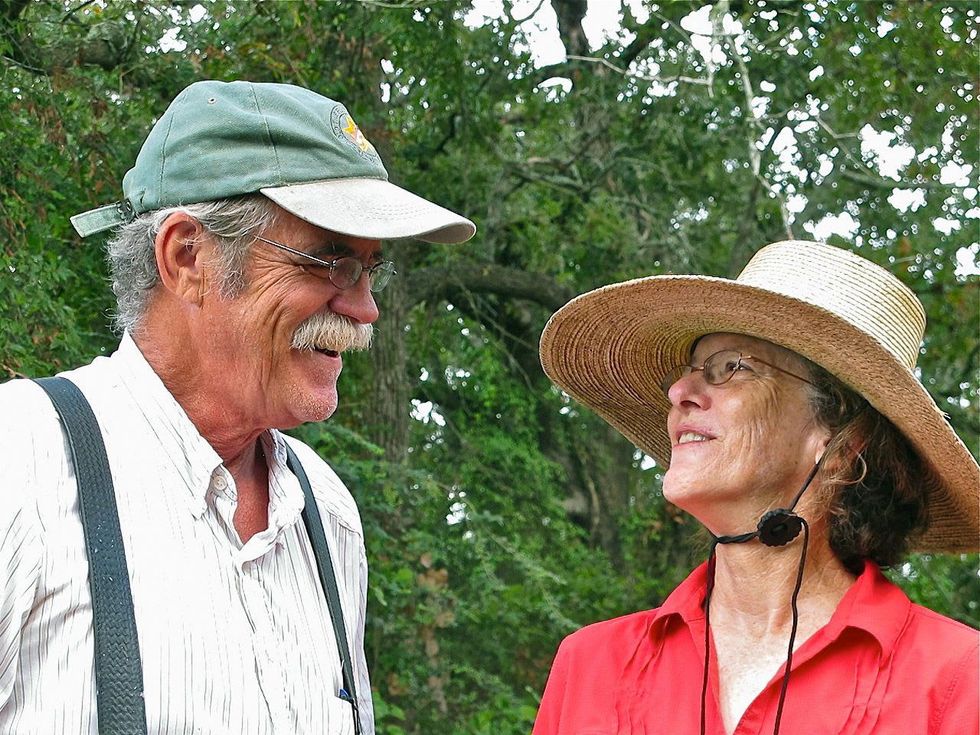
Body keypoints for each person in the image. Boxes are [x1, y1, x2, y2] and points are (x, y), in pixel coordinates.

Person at [0, 80, 474, 734]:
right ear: (186, 256)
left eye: (371, 269)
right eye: (330, 262)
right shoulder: (21, 461)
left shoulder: (325, 512)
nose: (366, 310)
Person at [534, 240, 979, 735]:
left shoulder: (959, 680)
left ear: (841, 441)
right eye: (686, 372)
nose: (678, 392)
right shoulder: (589, 666)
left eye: (730, 368)